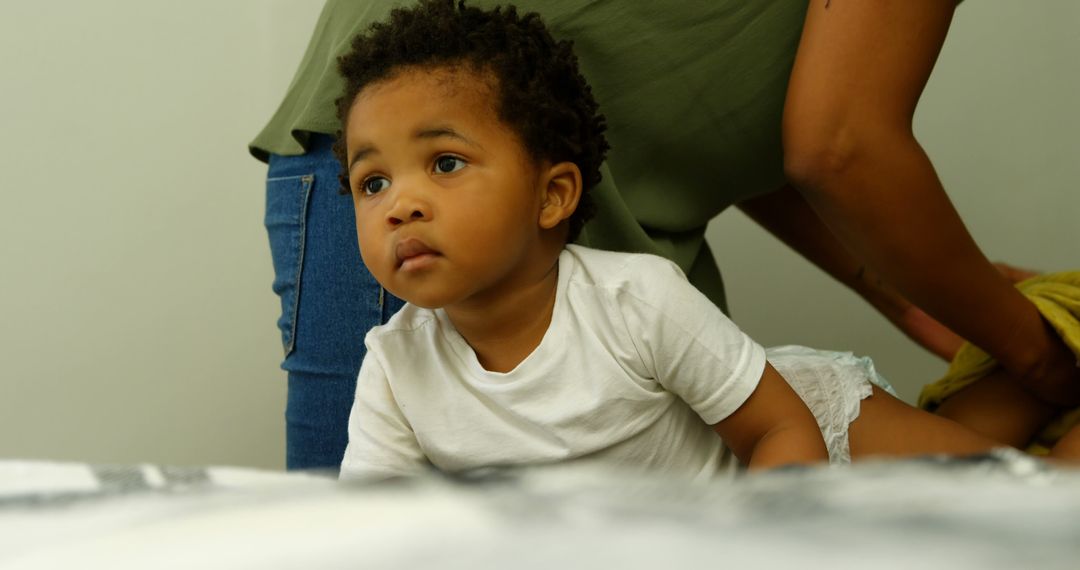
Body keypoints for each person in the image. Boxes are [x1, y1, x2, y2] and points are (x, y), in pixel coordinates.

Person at [251, 0, 1079, 471]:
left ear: (554, 196)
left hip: (813, 436)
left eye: (445, 165)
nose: (398, 205)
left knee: (1026, 501)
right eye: (372, 183)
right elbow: (370, 534)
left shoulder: (638, 301)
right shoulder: (395, 367)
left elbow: (781, 433)